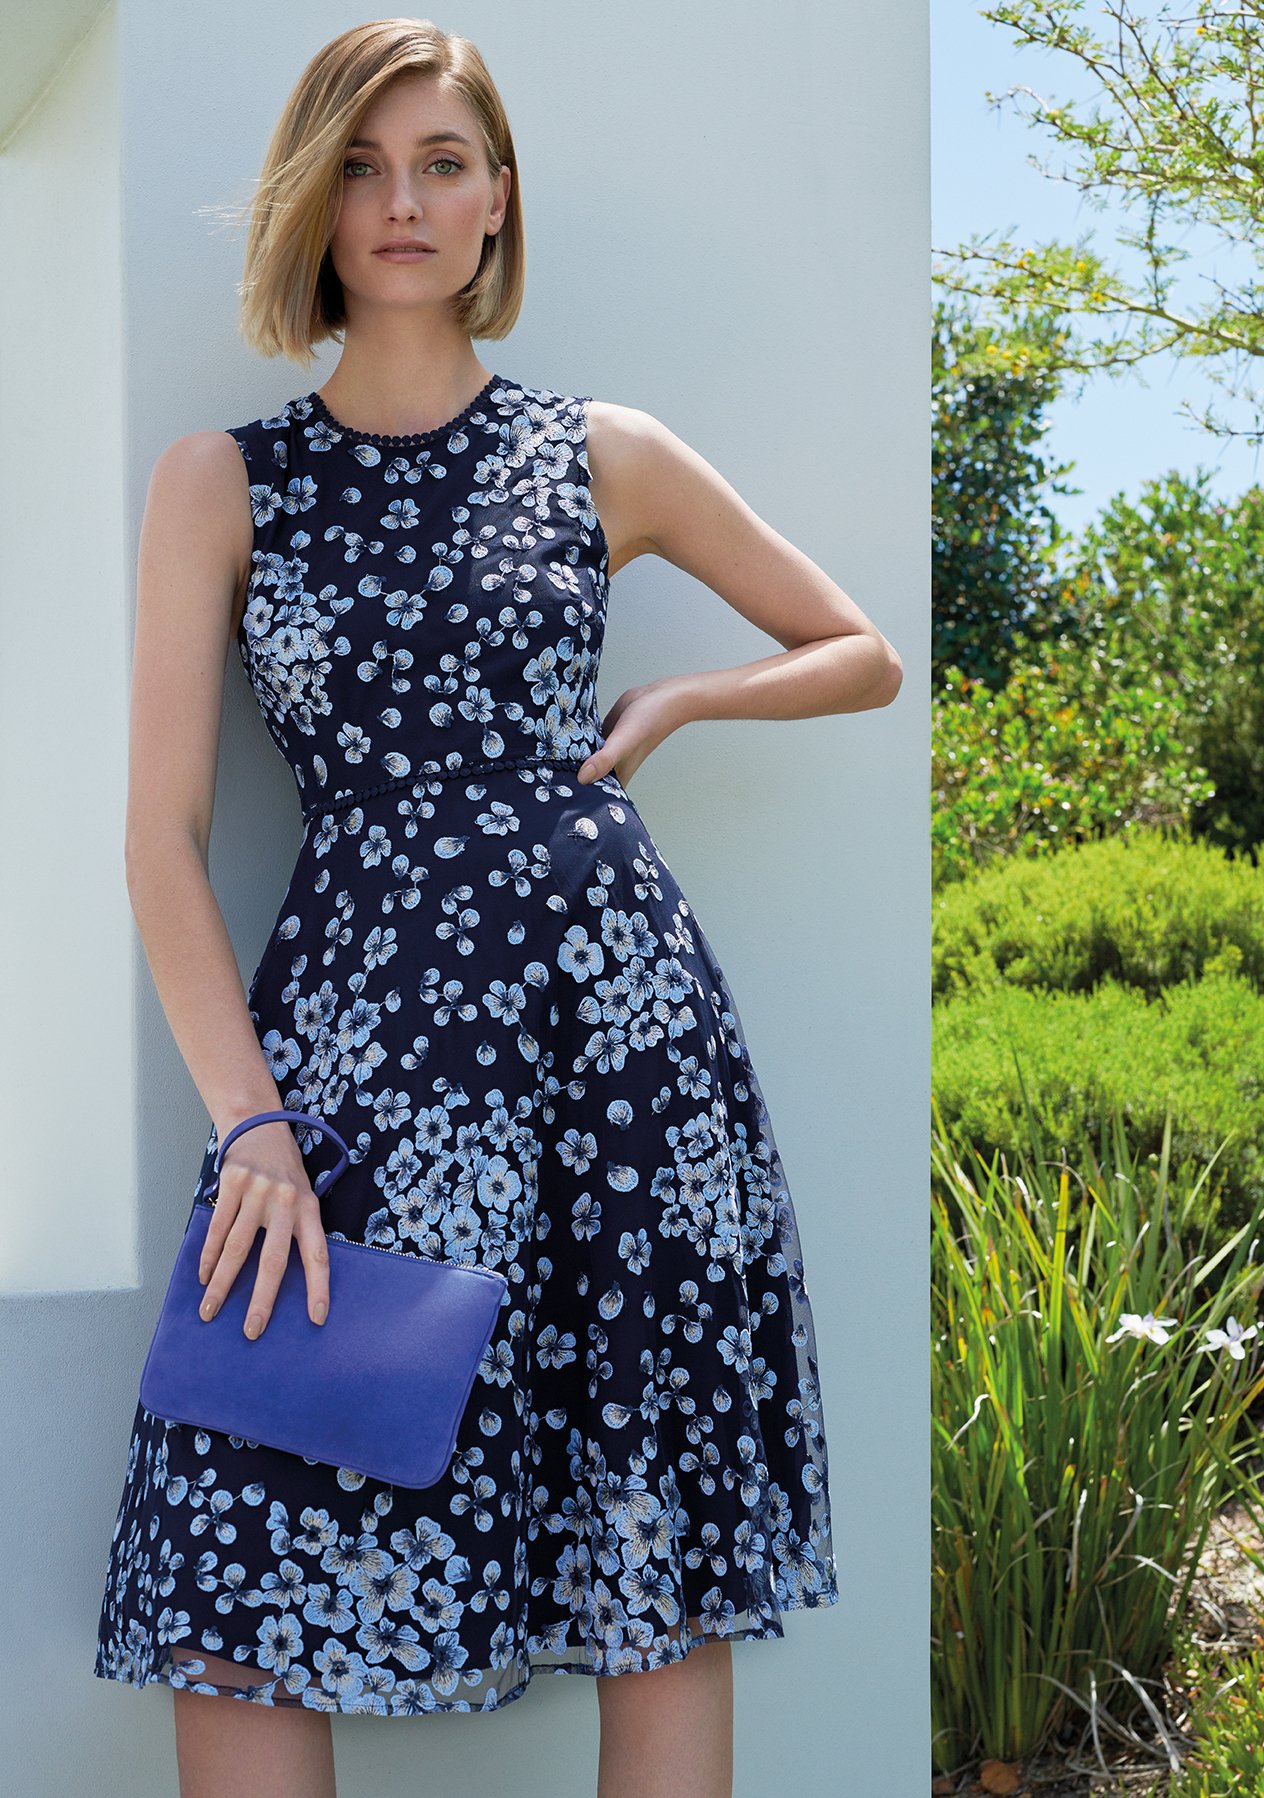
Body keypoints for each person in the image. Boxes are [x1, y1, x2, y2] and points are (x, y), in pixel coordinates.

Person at [93, 17, 901, 1798]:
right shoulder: (224, 481)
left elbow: (861, 652)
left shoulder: (598, 451)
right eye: (364, 164)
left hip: (614, 1063)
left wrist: (685, 699)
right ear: (312, 201)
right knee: (236, 1566)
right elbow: (159, 838)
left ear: (497, 203)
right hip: (349, 1087)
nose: (402, 200)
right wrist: (254, 1129)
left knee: (649, 1566)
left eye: (442, 162)